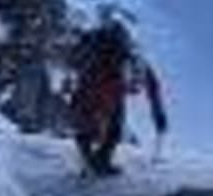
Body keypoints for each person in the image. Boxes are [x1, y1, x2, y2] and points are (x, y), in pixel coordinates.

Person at [66, 18, 167, 176]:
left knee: (93, 127)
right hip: (98, 92)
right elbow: (151, 84)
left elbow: (149, 82)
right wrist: (158, 114)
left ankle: (93, 163)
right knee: (106, 128)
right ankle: (96, 163)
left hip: (91, 92)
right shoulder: (126, 63)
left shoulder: (99, 58)